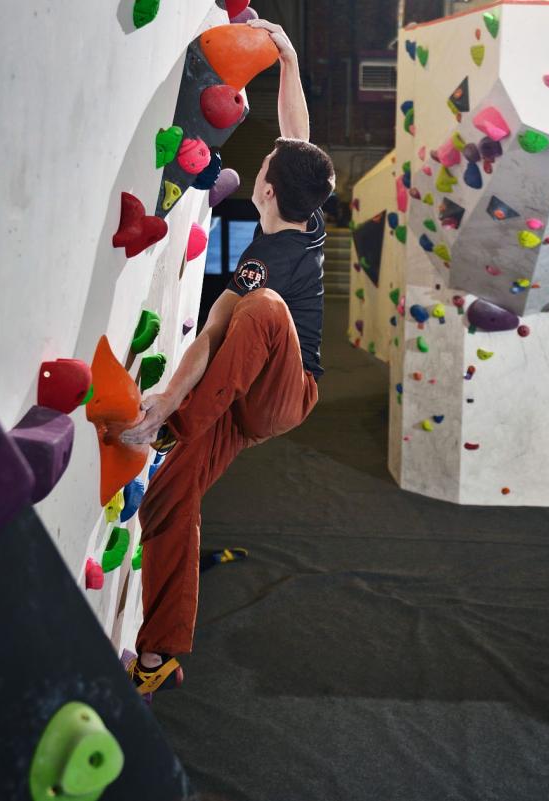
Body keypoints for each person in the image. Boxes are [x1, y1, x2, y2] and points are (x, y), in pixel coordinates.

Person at [117, 18, 335, 695]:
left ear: (265, 191)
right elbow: (295, 130)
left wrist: (169, 406)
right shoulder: (308, 209)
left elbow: (216, 333)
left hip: (286, 390)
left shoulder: (262, 270)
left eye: (265, 166)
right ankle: (159, 655)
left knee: (263, 314)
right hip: (239, 397)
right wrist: (289, 60)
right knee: (168, 497)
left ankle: (173, 426)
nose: (263, 163)